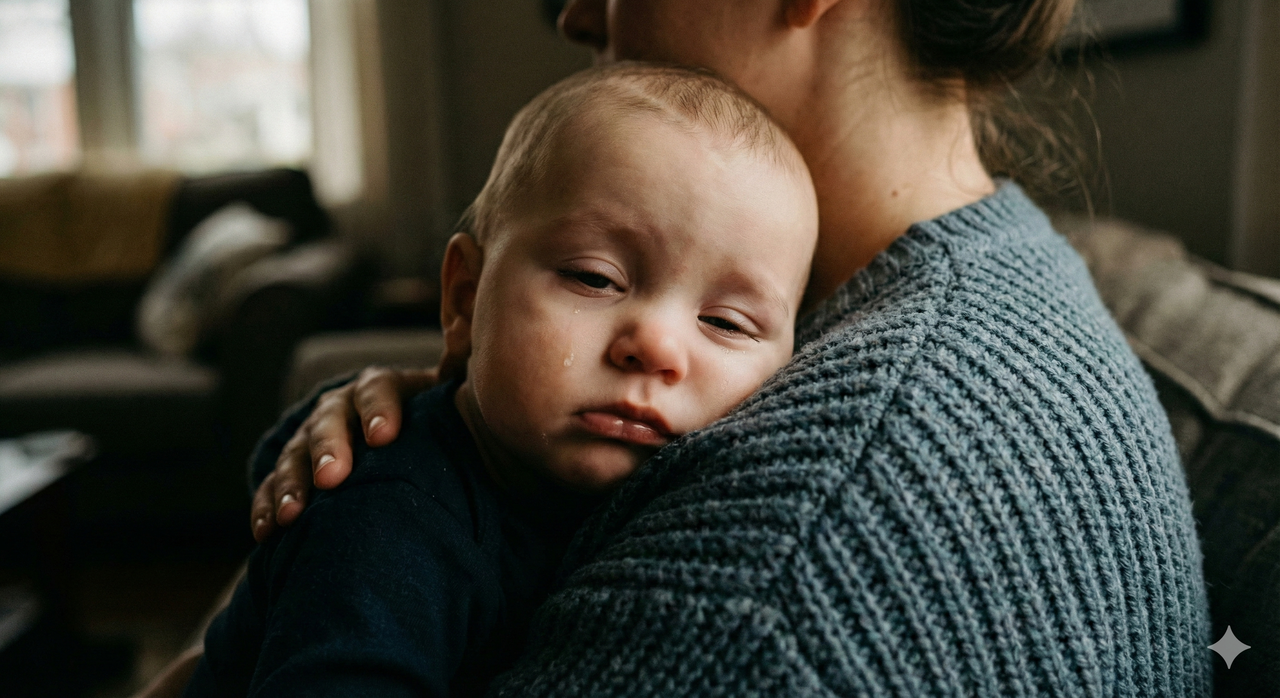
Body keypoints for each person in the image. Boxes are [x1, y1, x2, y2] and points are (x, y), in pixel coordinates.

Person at [167, 0, 1213, 695]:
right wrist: (446, 423)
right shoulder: (1012, 275)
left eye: (726, 322)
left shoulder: (776, 573)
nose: (576, 12)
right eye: (593, 278)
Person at [181, 63, 819, 697]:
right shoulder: (389, 519)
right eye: (595, 278)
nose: (657, 346)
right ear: (464, 298)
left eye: (726, 322)